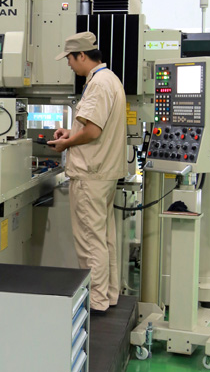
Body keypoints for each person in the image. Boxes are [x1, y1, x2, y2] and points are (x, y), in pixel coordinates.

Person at [47, 31, 127, 314]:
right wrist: (71, 133)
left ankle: (96, 302)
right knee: (104, 239)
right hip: (104, 172)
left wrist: (66, 143)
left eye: (69, 58)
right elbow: (94, 128)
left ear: (81, 55)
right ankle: (108, 295)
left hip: (91, 174)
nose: (69, 64)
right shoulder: (110, 80)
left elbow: (92, 131)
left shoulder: (98, 84)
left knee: (91, 242)